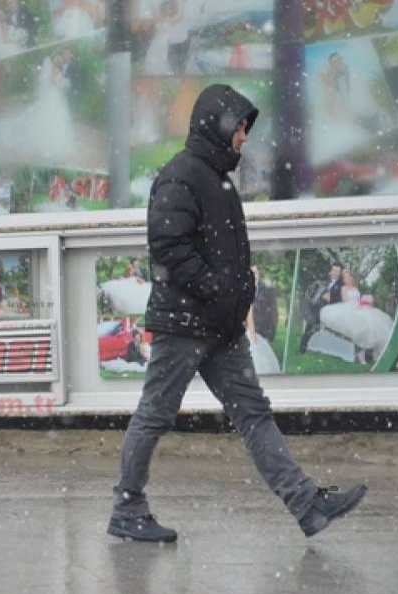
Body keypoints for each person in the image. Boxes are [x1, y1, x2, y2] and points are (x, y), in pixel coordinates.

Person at [107, 84, 366, 543]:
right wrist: (218, 288)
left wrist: (237, 291)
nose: (245, 137)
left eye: (246, 127)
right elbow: (168, 247)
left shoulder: (216, 177)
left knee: (253, 414)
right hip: (184, 324)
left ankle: (306, 504)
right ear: (218, 125)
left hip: (220, 327)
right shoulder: (180, 176)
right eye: (240, 127)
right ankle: (128, 507)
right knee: (155, 414)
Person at [299, 263, 343, 353]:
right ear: (330, 271)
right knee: (309, 329)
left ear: (340, 273)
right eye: (334, 270)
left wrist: (331, 298)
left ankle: (316, 348)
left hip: (328, 311)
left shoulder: (341, 286)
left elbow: (340, 299)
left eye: (337, 271)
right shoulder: (323, 282)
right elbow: (312, 291)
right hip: (315, 308)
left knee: (317, 330)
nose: (335, 273)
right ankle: (302, 349)